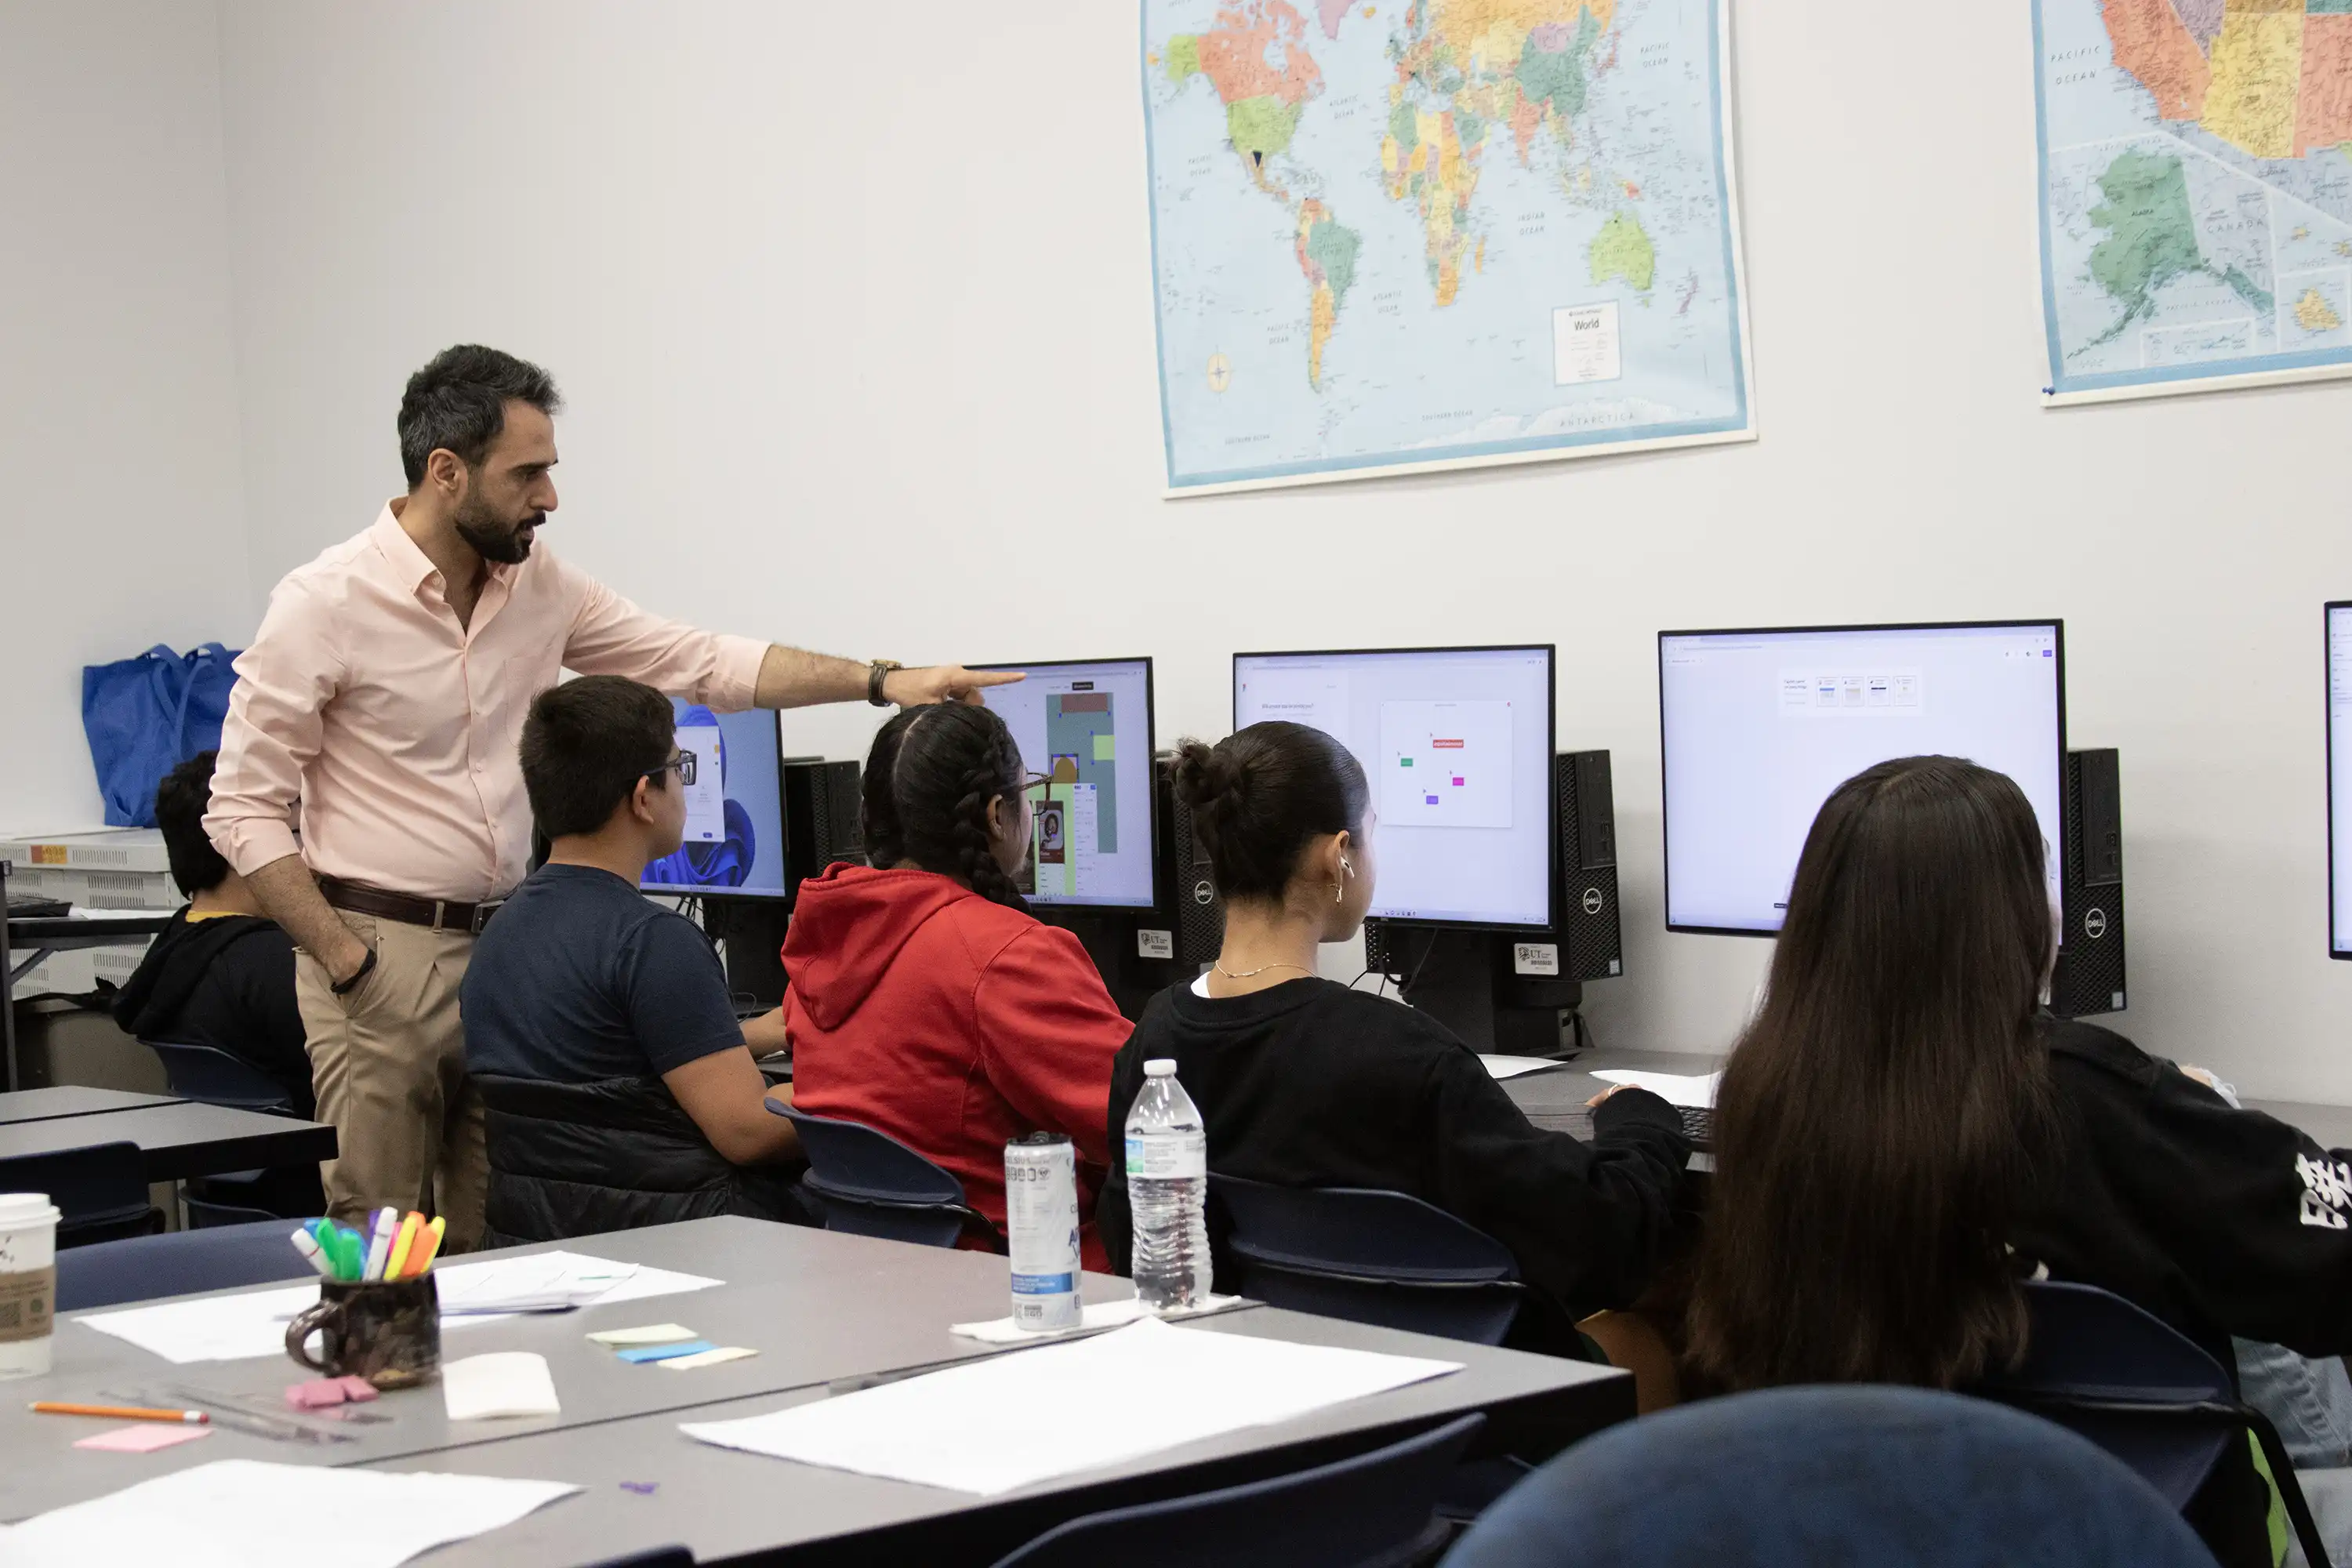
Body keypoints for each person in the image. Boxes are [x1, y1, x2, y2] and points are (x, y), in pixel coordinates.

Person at [205, 343, 1015, 1250]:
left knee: (495, 1237)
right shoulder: (324, 602)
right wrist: (346, 958)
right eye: (529, 473)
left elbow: (700, 660)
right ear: (446, 472)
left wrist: (881, 680)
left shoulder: (539, 586)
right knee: (380, 1243)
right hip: (381, 945)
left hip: (505, 949)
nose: (549, 496)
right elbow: (239, 804)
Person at [1683, 754, 2352, 1567]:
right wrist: (2207, 1123)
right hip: (2136, 1529)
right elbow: (2327, 1263)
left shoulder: (1762, 1094)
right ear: (2013, 917)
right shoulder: (2087, 1096)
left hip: (1868, 1524)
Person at [1095, 723, 1692, 1345]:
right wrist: (1643, 1122)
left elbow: (1133, 1238)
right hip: (1452, 1392)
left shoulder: (1154, 1040)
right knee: (1646, 1334)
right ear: (1340, 856)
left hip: (1269, 1378)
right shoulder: (1402, 1054)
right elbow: (1604, 1238)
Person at [782, 702, 1131, 1266]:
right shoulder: (1007, 955)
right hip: (1023, 1286)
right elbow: (1141, 1122)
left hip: (869, 1283)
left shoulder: (822, 939)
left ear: (871, 815)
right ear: (998, 814)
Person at [459, 677, 801, 1244]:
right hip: (680, 1244)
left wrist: (752, 1036)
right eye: (679, 769)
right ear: (645, 797)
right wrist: (866, 1085)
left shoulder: (503, 930)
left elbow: (609, 1073)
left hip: (546, 1245)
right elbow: (749, 1131)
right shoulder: (653, 942)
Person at [113, 752, 314, 1118]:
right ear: (242, 844)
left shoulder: (173, 943)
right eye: (298, 834)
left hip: (225, 1163)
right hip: (305, 1163)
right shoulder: (278, 964)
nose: (306, 853)